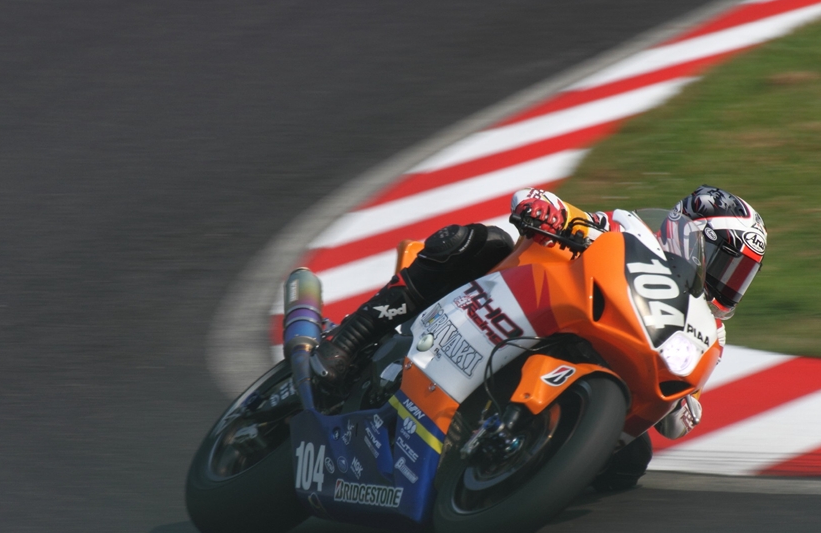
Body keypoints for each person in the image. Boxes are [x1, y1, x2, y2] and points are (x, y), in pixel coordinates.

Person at [294, 184, 767, 488]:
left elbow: (672, 415)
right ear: (690, 234)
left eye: (740, 275)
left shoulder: (709, 330)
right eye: (725, 263)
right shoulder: (630, 230)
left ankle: (517, 473)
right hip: (519, 309)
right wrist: (548, 210)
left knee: (629, 463)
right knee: (477, 242)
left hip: (593, 361)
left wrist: (683, 402)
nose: (728, 282)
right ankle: (348, 342)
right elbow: (559, 212)